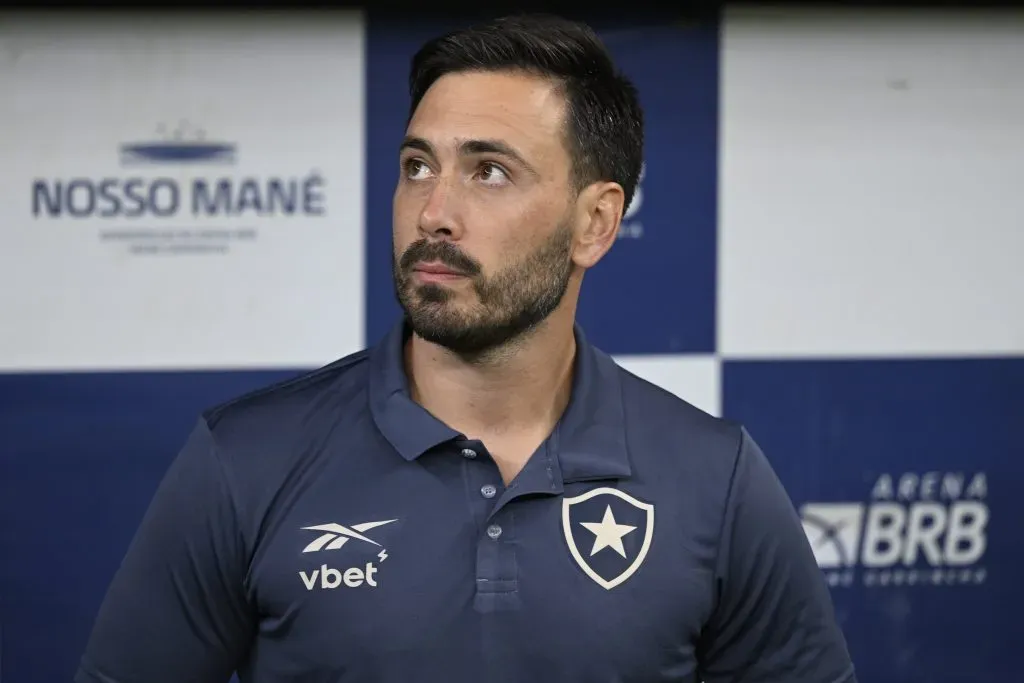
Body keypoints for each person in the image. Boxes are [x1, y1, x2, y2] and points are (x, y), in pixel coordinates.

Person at [76, 13, 856, 683]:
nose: (434, 211)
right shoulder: (244, 461)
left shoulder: (715, 478)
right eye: (418, 166)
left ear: (595, 223)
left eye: (489, 171)